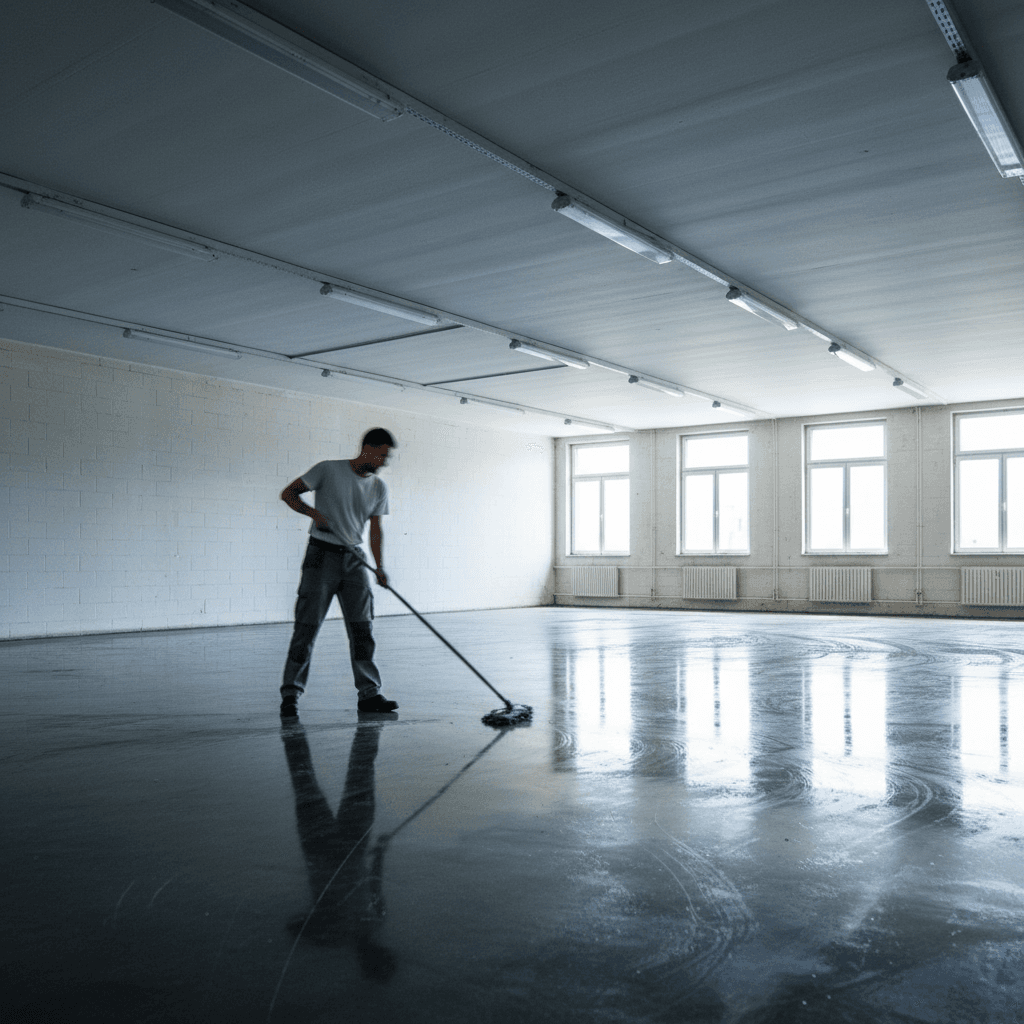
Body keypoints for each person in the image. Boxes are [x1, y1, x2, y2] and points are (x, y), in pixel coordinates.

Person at [278, 428, 398, 716]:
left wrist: (379, 567)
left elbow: (376, 530)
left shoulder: (379, 487)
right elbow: (288, 494)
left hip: (355, 559)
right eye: (382, 455)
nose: (384, 462)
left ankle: (369, 694)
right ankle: (291, 694)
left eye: (387, 457)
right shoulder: (328, 470)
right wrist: (314, 514)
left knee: (362, 629)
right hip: (321, 555)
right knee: (307, 627)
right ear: (368, 448)